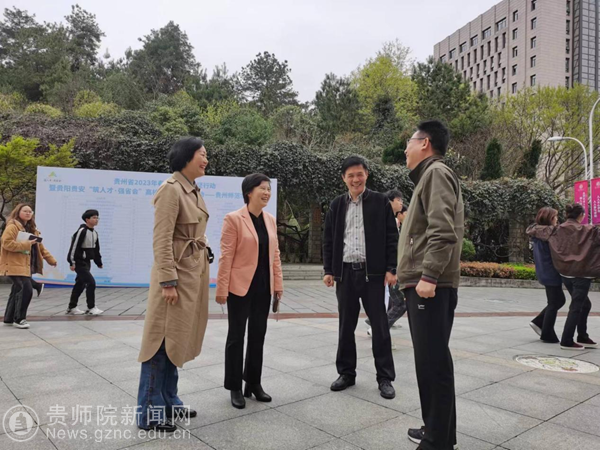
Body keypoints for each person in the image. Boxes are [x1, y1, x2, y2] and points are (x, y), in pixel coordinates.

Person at [136, 137, 210, 432]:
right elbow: (162, 238)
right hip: (175, 279)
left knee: (175, 339)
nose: (206, 159)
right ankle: (149, 412)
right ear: (186, 156)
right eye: (202, 154)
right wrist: (167, 280)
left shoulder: (191, 190)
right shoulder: (170, 189)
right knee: (160, 341)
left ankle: (169, 400)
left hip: (190, 276)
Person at [399, 120, 464, 450]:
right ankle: (438, 431)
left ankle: (438, 441)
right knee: (429, 362)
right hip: (424, 283)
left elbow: (443, 230)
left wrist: (429, 276)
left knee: (433, 363)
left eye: (409, 142)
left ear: (425, 143)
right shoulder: (429, 176)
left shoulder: (436, 173)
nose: (405, 149)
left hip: (429, 286)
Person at [323, 155, 398, 400]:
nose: (356, 179)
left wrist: (391, 268)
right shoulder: (337, 204)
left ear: (367, 174)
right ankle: (346, 373)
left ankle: (385, 378)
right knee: (345, 326)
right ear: (343, 178)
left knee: (380, 326)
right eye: (350, 175)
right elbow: (328, 239)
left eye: (359, 174)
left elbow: (391, 236)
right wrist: (328, 270)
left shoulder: (380, 201)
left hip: (372, 275)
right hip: (345, 274)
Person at [216, 173, 283, 409]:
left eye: (268, 189)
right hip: (239, 288)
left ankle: (253, 383)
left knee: (258, 335)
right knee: (236, 337)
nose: (267, 193)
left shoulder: (270, 220)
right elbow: (226, 256)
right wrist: (221, 288)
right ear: (249, 192)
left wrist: (278, 284)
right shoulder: (233, 219)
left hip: (263, 288)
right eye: (262, 188)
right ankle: (234, 386)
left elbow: (275, 255)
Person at [527, 203, 599, 350]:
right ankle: (560, 337)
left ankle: (577, 335)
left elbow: (535, 230)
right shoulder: (583, 230)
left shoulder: (553, 230)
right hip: (570, 273)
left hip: (560, 273)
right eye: (554, 217)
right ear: (581, 215)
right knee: (566, 304)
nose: (556, 219)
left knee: (573, 303)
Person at [1, 203, 57, 329]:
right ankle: (19, 319)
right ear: (18, 212)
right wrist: (27, 244)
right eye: (25, 211)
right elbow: (6, 243)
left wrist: (51, 260)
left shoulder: (32, 229)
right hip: (14, 264)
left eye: (30, 211)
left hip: (26, 265)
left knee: (17, 289)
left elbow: (40, 247)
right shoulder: (12, 226)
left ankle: (9, 318)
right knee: (26, 289)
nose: (28, 213)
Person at [366, 190, 408, 340]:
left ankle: (375, 325)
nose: (401, 203)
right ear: (390, 201)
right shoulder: (382, 218)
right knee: (395, 302)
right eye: (398, 200)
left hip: (390, 269)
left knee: (390, 301)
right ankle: (377, 328)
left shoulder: (392, 220)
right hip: (383, 270)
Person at [528, 207, 566, 343]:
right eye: (555, 217)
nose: (557, 219)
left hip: (544, 271)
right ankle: (546, 332)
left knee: (558, 301)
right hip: (551, 271)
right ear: (550, 218)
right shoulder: (549, 234)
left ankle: (539, 323)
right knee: (555, 302)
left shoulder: (538, 232)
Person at [66, 210, 103, 315]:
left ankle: (72, 307)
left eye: (97, 218)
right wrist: (72, 262)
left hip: (87, 262)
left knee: (80, 284)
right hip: (79, 262)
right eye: (94, 218)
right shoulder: (82, 231)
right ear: (87, 219)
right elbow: (74, 247)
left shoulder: (95, 233)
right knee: (91, 282)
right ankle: (91, 307)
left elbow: (96, 249)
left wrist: (98, 262)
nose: (96, 220)